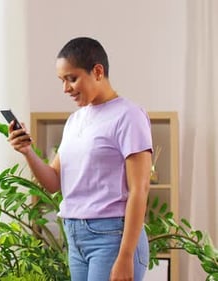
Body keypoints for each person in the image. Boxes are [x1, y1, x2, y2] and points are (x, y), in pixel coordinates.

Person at [8, 37, 152, 281]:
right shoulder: (75, 121)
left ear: (97, 71)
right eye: (62, 81)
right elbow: (54, 182)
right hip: (75, 236)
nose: (66, 89)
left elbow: (141, 189)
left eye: (71, 78)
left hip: (112, 237)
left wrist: (126, 256)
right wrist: (27, 151)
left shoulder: (129, 116)